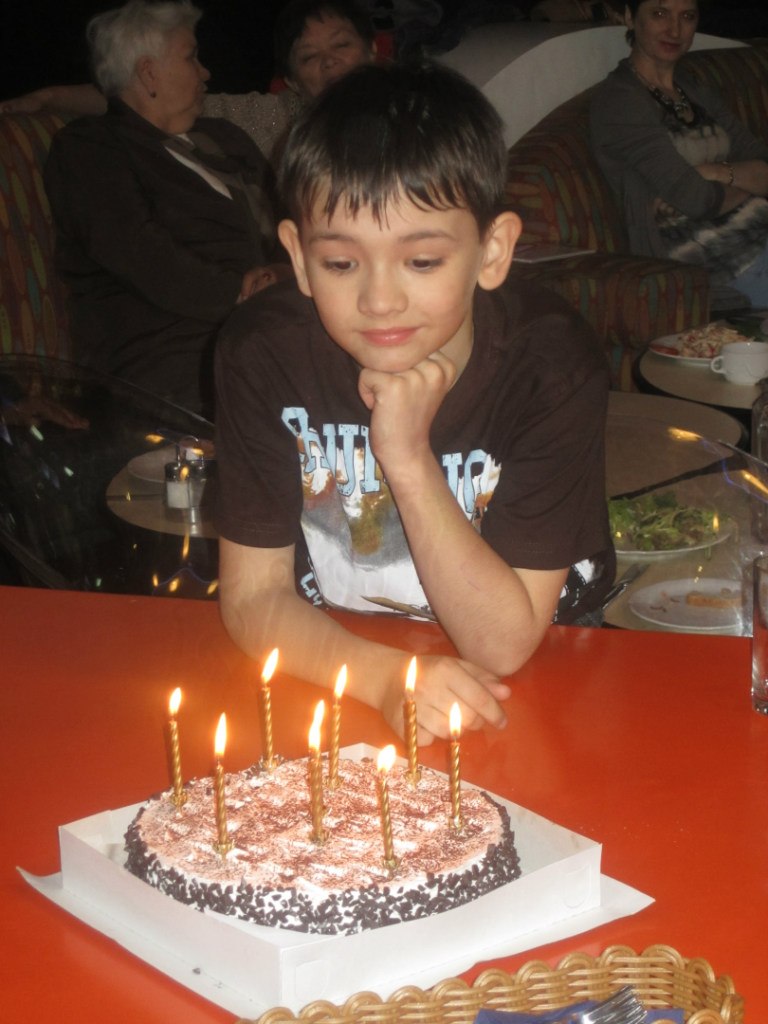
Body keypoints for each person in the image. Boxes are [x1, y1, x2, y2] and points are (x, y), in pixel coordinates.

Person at [213, 61, 615, 744]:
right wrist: (385, 679)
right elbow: (253, 597)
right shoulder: (262, 352)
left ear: (492, 251)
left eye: (422, 261)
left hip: (540, 676)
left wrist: (405, 455)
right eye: (341, 263)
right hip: (335, 662)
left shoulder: (551, 366)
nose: (379, 300)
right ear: (299, 258)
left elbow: (503, 645)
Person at [43, 0, 284, 417]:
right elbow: (142, 255)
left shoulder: (225, 138)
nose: (205, 72)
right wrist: (247, 296)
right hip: (170, 355)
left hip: (267, 327)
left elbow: (290, 221)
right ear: (149, 72)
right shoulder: (91, 148)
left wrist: (286, 274)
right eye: (191, 57)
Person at [1, 0, 378, 160]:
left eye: (341, 45)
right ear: (292, 82)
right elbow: (143, 98)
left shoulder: (410, 107)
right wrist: (51, 97)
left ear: (373, 51)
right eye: (309, 57)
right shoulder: (272, 118)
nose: (329, 62)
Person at [589, 0, 768, 311]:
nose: (675, 30)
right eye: (660, 14)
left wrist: (712, 171)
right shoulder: (620, 102)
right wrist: (743, 178)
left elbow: (763, 163)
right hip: (718, 260)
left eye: (687, 16)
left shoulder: (693, 89)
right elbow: (697, 199)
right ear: (630, 17)